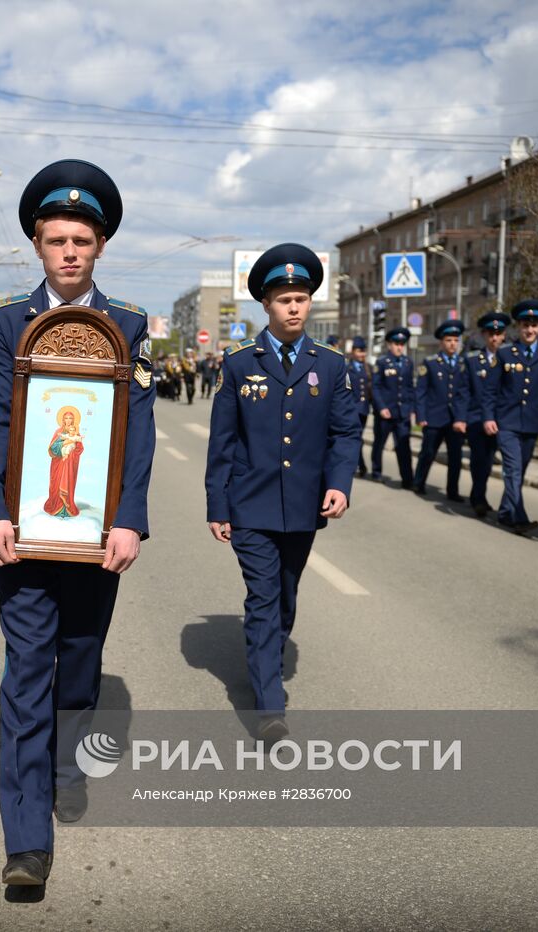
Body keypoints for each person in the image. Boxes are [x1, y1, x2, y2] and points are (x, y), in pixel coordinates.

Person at [0, 159, 155, 887]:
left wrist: (129, 519)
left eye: (82, 240)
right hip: (23, 533)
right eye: (57, 240)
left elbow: (137, 435)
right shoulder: (7, 321)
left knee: (79, 662)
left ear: (100, 245)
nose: (70, 252)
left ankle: (66, 763)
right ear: (38, 245)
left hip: (96, 534)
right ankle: (26, 842)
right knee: (26, 672)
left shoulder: (128, 325)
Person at [205, 244, 357, 738]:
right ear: (266, 305)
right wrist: (218, 505)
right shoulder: (238, 363)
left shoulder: (330, 365)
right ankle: (269, 703)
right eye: (285, 300)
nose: (294, 308)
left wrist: (339, 485)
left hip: (305, 504)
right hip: (250, 504)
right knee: (264, 597)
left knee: (286, 598)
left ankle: (264, 658)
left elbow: (344, 433)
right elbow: (223, 441)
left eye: (301, 299)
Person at [481, 300, 538, 536]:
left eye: (534, 325)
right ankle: (520, 517)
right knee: (513, 470)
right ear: (518, 327)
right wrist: (488, 417)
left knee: (520, 471)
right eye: (525, 325)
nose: (530, 330)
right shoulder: (505, 353)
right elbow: (490, 390)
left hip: (531, 423)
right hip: (506, 423)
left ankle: (506, 512)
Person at [411, 320, 470, 499]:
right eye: (449, 340)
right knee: (428, 452)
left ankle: (453, 491)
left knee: (455, 456)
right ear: (441, 342)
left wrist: (463, 417)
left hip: (455, 418)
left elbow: (465, 392)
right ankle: (419, 482)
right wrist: (421, 416)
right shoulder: (430, 363)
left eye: (456, 340)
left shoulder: (463, 363)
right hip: (434, 417)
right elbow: (421, 391)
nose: (453, 344)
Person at [465, 312, 509, 518]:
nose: (494, 338)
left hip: (503, 419)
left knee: (492, 462)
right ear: (484, 335)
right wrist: (461, 418)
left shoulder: (511, 359)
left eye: (498, 334)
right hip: (476, 419)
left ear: (504, 335)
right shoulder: (473, 360)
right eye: (491, 334)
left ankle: (484, 498)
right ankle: (479, 499)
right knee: (479, 461)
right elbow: (464, 391)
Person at [370, 327, 414, 486]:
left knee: (403, 446)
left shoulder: (408, 362)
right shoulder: (382, 362)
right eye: (396, 344)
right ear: (389, 344)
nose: (399, 347)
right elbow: (375, 387)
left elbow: (410, 387)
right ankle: (376, 472)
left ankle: (408, 479)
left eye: (402, 344)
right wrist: (381, 407)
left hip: (402, 413)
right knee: (379, 443)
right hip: (386, 412)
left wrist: (412, 409)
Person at [346, 336, 372, 476]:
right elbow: (345, 390)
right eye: (359, 351)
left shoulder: (368, 368)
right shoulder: (347, 368)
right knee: (355, 438)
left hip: (364, 410)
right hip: (352, 410)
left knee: (358, 438)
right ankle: (359, 465)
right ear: (353, 352)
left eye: (363, 351)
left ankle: (359, 465)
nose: (362, 354)